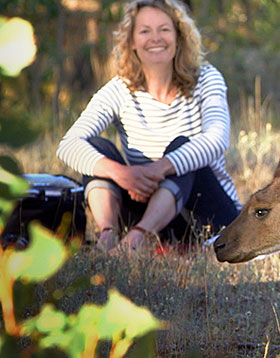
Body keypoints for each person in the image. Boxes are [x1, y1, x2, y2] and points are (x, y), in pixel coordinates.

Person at [57, 0, 239, 253]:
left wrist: (160, 168)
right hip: (153, 211)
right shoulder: (118, 90)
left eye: (164, 29)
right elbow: (68, 145)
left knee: (182, 148)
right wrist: (123, 174)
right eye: (145, 31)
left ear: (178, 37)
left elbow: (217, 139)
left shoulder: (207, 78)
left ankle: (139, 236)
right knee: (97, 148)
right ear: (131, 41)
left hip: (206, 214)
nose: (155, 38)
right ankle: (108, 236)